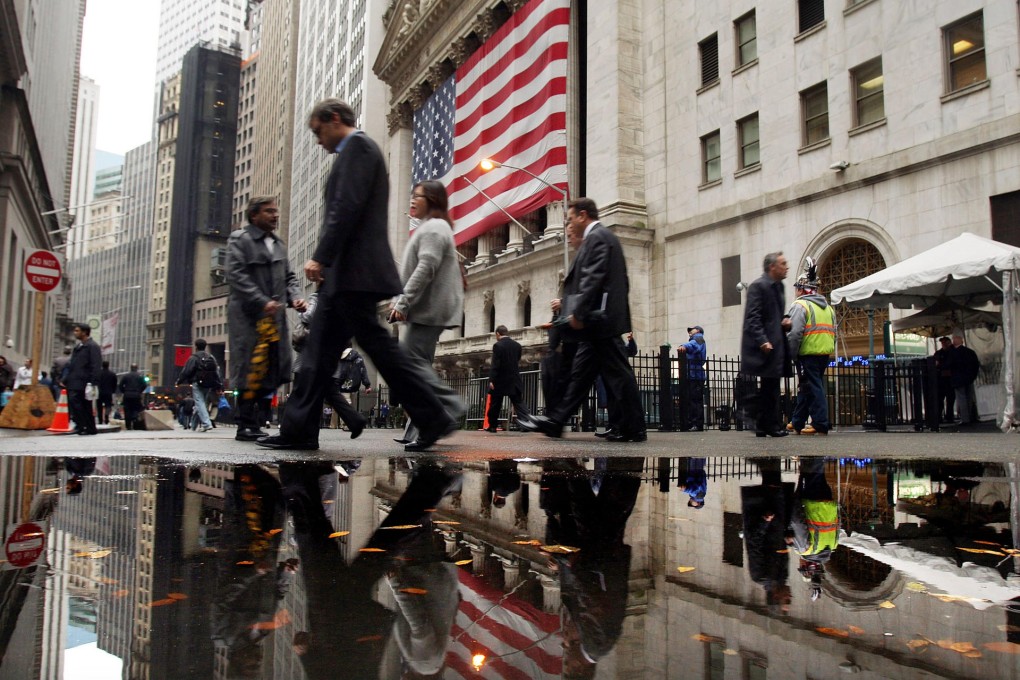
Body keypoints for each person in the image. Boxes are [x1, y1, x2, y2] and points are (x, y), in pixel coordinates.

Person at [258, 98, 454, 452]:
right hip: (346, 275)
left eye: (318, 132)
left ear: (334, 119)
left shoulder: (360, 148)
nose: (318, 141)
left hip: (355, 273)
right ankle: (299, 431)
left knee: (376, 349)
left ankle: (432, 415)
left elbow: (345, 208)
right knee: (318, 354)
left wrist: (321, 256)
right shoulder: (355, 152)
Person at [521, 198, 646, 442]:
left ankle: (634, 427)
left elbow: (593, 277)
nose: (568, 224)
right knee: (581, 376)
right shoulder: (602, 238)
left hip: (599, 322)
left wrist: (577, 313)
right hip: (598, 322)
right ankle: (556, 422)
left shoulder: (598, 237)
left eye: (569, 218)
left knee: (618, 375)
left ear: (582, 215)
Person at [389, 179, 466, 446]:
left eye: (417, 196)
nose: (412, 200)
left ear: (431, 200)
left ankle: (447, 408)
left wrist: (403, 302)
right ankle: (429, 426)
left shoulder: (434, 227)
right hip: (427, 307)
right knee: (413, 364)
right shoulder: (431, 227)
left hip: (429, 307)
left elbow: (426, 267)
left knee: (410, 362)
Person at [226, 196, 307, 442]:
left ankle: (257, 422)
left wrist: (295, 297)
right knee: (250, 368)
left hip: (275, 318)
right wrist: (262, 301)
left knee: (274, 367)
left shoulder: (278, 244)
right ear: (254, 216)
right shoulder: (240, 240)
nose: (275, 215)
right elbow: (236, 275)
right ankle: (245, 424)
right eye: (269, 211)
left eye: (275, 211)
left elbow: (289, 277)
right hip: (249, 318)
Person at [293, 292, 367, 437]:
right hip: (330, 355)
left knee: (302, 394)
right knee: (329, 393)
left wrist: (302, 309)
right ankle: (354, 420)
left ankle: (297, 433)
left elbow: (309, 316)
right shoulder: (341, 296)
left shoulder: (320, 295)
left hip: (314, 355)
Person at [740, 251, 792, 437]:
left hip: (776, 343)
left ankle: (764, 425)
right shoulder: (758, 286)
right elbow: (752, 317)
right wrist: (762, 340)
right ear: (772, 267)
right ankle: (768, 423)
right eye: (783, 263)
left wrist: (785, 321)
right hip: (764, 345)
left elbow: (772, 317)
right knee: (770, 386)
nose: (787, 267)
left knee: (771, 385)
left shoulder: (780, 287)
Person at [786, 264, 835, 436]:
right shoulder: (828, 307)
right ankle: (797, 421)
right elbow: (833, 332)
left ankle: (820, 423)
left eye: (797, 288)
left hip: (808, 352)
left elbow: (794, 333)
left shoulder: (800, 306)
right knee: (807, 386)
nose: (796, 292)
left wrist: (791, 354)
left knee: (813, 386)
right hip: (824, 352)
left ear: (802, 289)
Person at [485, 325, 530, 433]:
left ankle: (492, 426)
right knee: (518, 402)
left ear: (497, 334)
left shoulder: (497, 346)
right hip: (514, 378)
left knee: (495, 403)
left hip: (500, 379)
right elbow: (517, 359)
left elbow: (496, 364)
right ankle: (526, 424)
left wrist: (492, 379)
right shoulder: (517, 345)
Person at [63, 323, 101, 435]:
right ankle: (84, 426)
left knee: (80, 403)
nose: (75, 333)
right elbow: (73, 364)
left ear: (84, 332)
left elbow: (95, 365)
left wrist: (92, 382)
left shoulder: (92, 346)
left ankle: (85, 426)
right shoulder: (79, 347)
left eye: (77, 331)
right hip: (75, 380)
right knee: (80, 404)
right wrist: (65, 379)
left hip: (84, 381)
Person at [176, 338, 221, 432]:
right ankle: (194, 425)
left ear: (196, 346)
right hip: (209, 383)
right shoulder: (211, 357)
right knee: (201, 404)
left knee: (199, 403)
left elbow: (186, 371)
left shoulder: (193, 357)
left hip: (197, 382)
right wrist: (219, 384)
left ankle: (206, 424)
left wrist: (179, 381)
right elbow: (216, 371)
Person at [947, 330, 980, 425]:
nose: (953, 340)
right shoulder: (970, 352)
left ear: (959, 339)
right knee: (969, 398)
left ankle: (965, 419)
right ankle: (970, 417)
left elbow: (949, 364)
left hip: (958, 379)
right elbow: (976, 365)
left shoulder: (952, 352)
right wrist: (972, 376)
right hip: (969, 378)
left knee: (961, 399)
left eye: (954, 338)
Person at [678, 325, 707, 431]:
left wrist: (684, 346)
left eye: (692, 329)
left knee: (695, 400)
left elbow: (694, 346)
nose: (689, 331)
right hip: (693, 373)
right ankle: (693, 423)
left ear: (698, 330)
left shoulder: (699, 337)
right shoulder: (695, 339)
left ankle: (696, 424)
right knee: (693, 400)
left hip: (695, 374)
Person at [118, 363, 147, 430]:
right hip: (136, 395)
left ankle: (128, 425)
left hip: (127, 395)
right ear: (137, 368)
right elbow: (144, 385)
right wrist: (139, 391)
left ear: (130, 368)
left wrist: (124, 391)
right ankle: (135, 420)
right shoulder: (140, 376)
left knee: (127, 409)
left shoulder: (126, 376)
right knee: (136, 409)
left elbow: (120, 385)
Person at [933, 336, 955, 423]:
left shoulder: (952, 352)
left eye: (945, 342)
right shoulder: (939, 353)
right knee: (940, 399)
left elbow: (948, 364)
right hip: (941, 379)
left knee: (950, 399)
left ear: (949, 342)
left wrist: (940, 365)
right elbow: (936, 363)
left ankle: (949, 417)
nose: (944, 344)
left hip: (949, 379)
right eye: (942, 342)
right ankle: (940, 417)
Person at [96, 360, 118, 424]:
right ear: (108, 365)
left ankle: (100, 419)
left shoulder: (98, 373)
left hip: (99, 392)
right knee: (108, 406)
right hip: (108, 392)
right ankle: (106, 417)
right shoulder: (112, 374)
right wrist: (113, 391)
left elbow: (95, 382)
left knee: (99, 406)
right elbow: (115, 384)